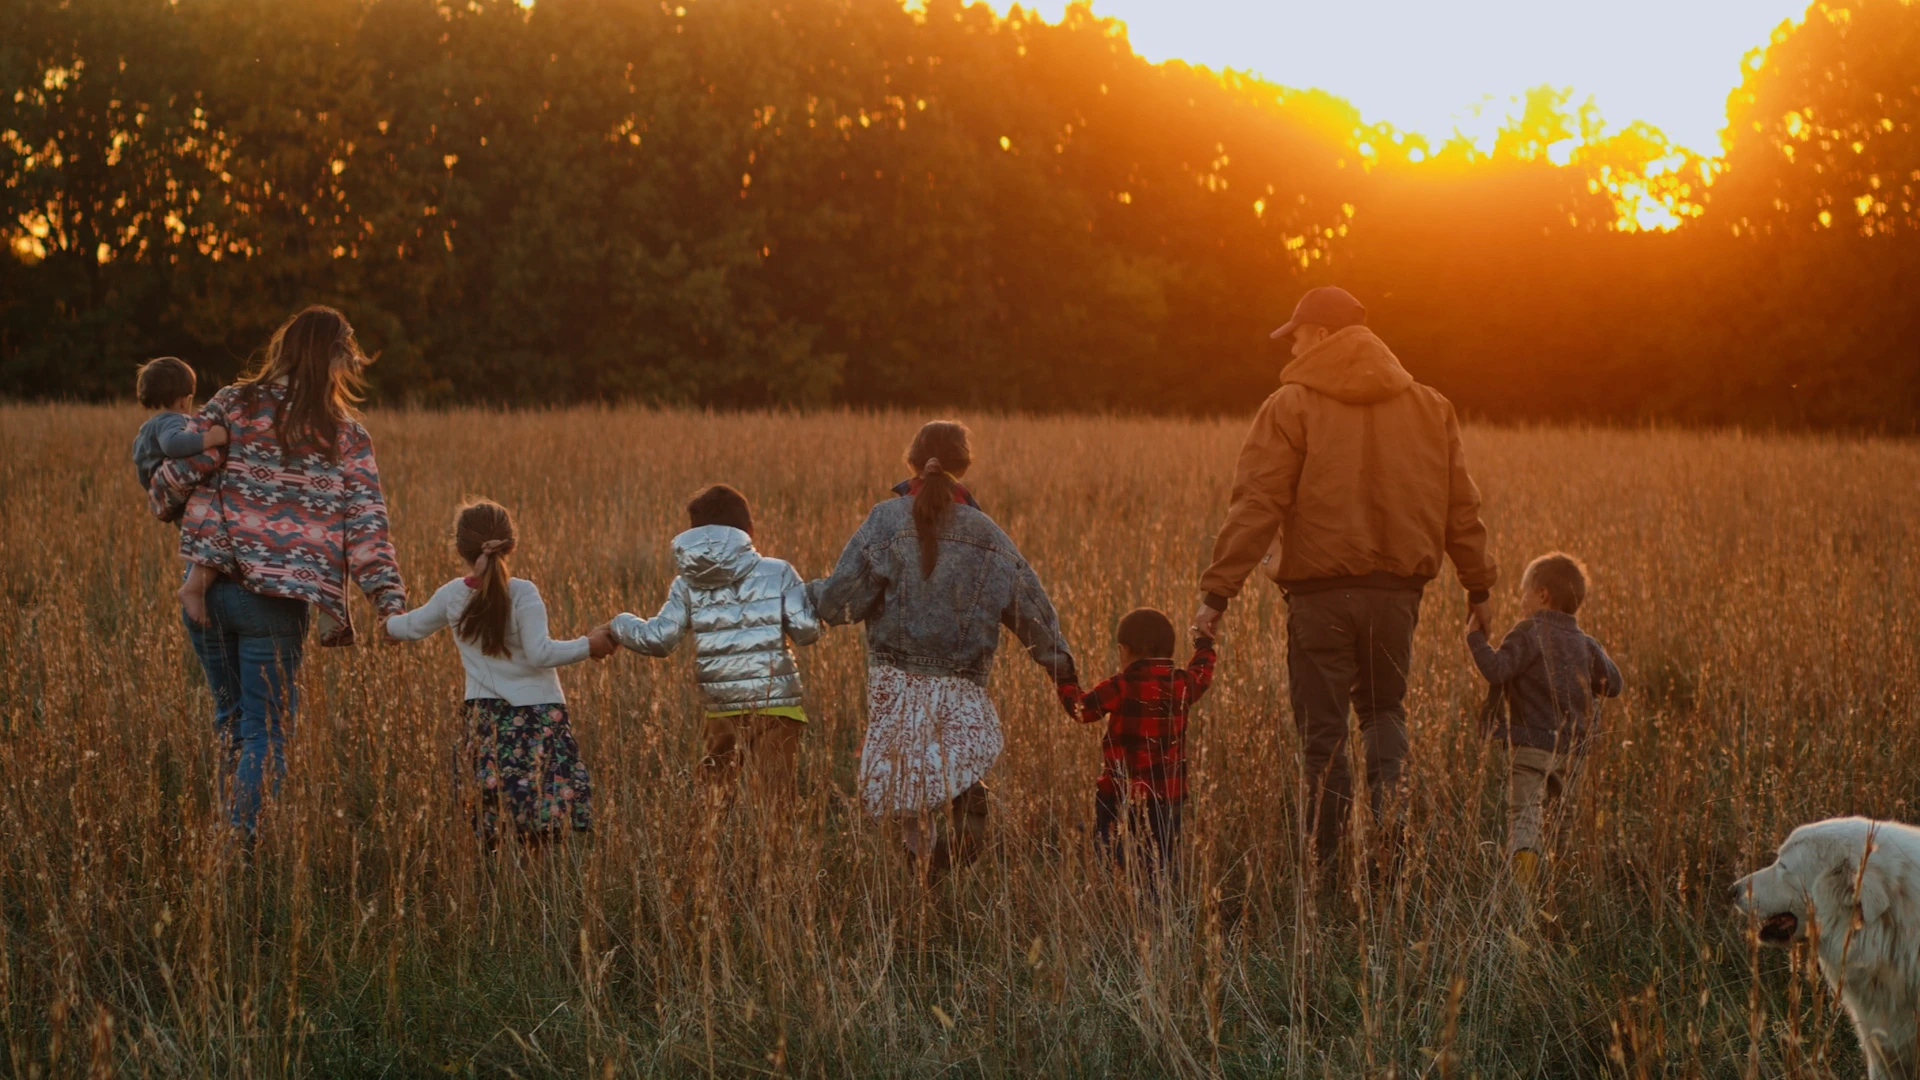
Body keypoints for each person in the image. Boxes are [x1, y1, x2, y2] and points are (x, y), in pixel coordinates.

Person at [1191, 285, 1498, 872]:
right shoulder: (1431, 406)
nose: (1295, 345)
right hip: (1397, 596)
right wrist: (1477, 587)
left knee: (1323, 736)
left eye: (1299, 334)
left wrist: (1216, 595)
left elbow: (1256, 505)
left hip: (1319, 597)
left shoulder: (1290, 405)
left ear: (1325, 336)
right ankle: (1390, 852)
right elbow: (1463, 506)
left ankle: (1326, 870)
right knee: (1385, 715)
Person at [150, 305, 408, 834]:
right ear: (337, 359)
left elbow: (173, 480)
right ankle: (240, 850)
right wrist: (388, 602)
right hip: (276, 603)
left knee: (233, 722)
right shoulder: (345, 436)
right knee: (266, 732)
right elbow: (366, 527)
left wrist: (170, 498)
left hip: (209, 589)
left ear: (284, 350)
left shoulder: (232, 403)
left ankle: (229, 836)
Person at [808, 420, 1077, 881]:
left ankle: (919, 883)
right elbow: (1032, 608)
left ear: (911, 462)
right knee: (957, 778)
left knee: (906, 789)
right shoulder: (988, 534)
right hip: (962, 685)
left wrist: (798, 597)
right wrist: (1064, 674)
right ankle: (943, 868)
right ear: (965, 466)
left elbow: (840, 602)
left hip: (893, 682)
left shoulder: (884, 521)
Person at [385, 500, 612, 843]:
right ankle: (532, 891)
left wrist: (386, 621)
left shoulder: (452, 595)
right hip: (538, 719)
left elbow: (408, 628)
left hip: (485, 721)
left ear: (460, 548)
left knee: (493, 819)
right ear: (511, 545)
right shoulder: (523, 592)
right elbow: (540, 653)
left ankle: (499, 889)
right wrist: (589, 645)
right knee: (541, 824)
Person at [596, 484, 823, 812]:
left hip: (720, 710)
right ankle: (774, 862)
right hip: (778, 708)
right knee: (777, 807)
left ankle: (704, 862)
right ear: (750, 531)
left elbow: (660, 639)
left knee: (711, 806)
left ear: (694, 535)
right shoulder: (779, 571)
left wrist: (617, 626)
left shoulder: (686, 583)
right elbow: (807, 632)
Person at [1466, 552, 1622, 888]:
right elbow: (1614, 685)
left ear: (1542, 595)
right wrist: (1594, 658)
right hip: (1572, 752)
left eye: (1524, 592)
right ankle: (1555, 885)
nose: (1521, 600)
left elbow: (1497, 670)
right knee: (1560, 822)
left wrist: (1475, 639)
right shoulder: (1587, 644)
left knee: (1524, 817)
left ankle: (1524, 892)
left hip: (1528, 746)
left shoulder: (1528, 633)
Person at [1062, 608, 1216, 882]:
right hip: (1170, 797)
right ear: (1169, 650)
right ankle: (1163, 905)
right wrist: (1204, 644)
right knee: (1163, 858)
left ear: (1124, 650)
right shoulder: (1180, 684)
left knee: (1109, 846)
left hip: (1121, 794)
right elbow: (1201, 673)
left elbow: (1082, 710)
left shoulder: (1121, 685)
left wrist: (1064, 679)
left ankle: (1116, 877)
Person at [131, 356, 230, 626]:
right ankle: (193, 589)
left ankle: (198, 584)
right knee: (214, 537)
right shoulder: (170, 422)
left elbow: (141, 468)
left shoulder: (147, 427)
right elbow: (174, 445)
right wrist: (211, 438)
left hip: (168, 499)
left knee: (201, 541)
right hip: (179, 495)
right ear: (184, 398)